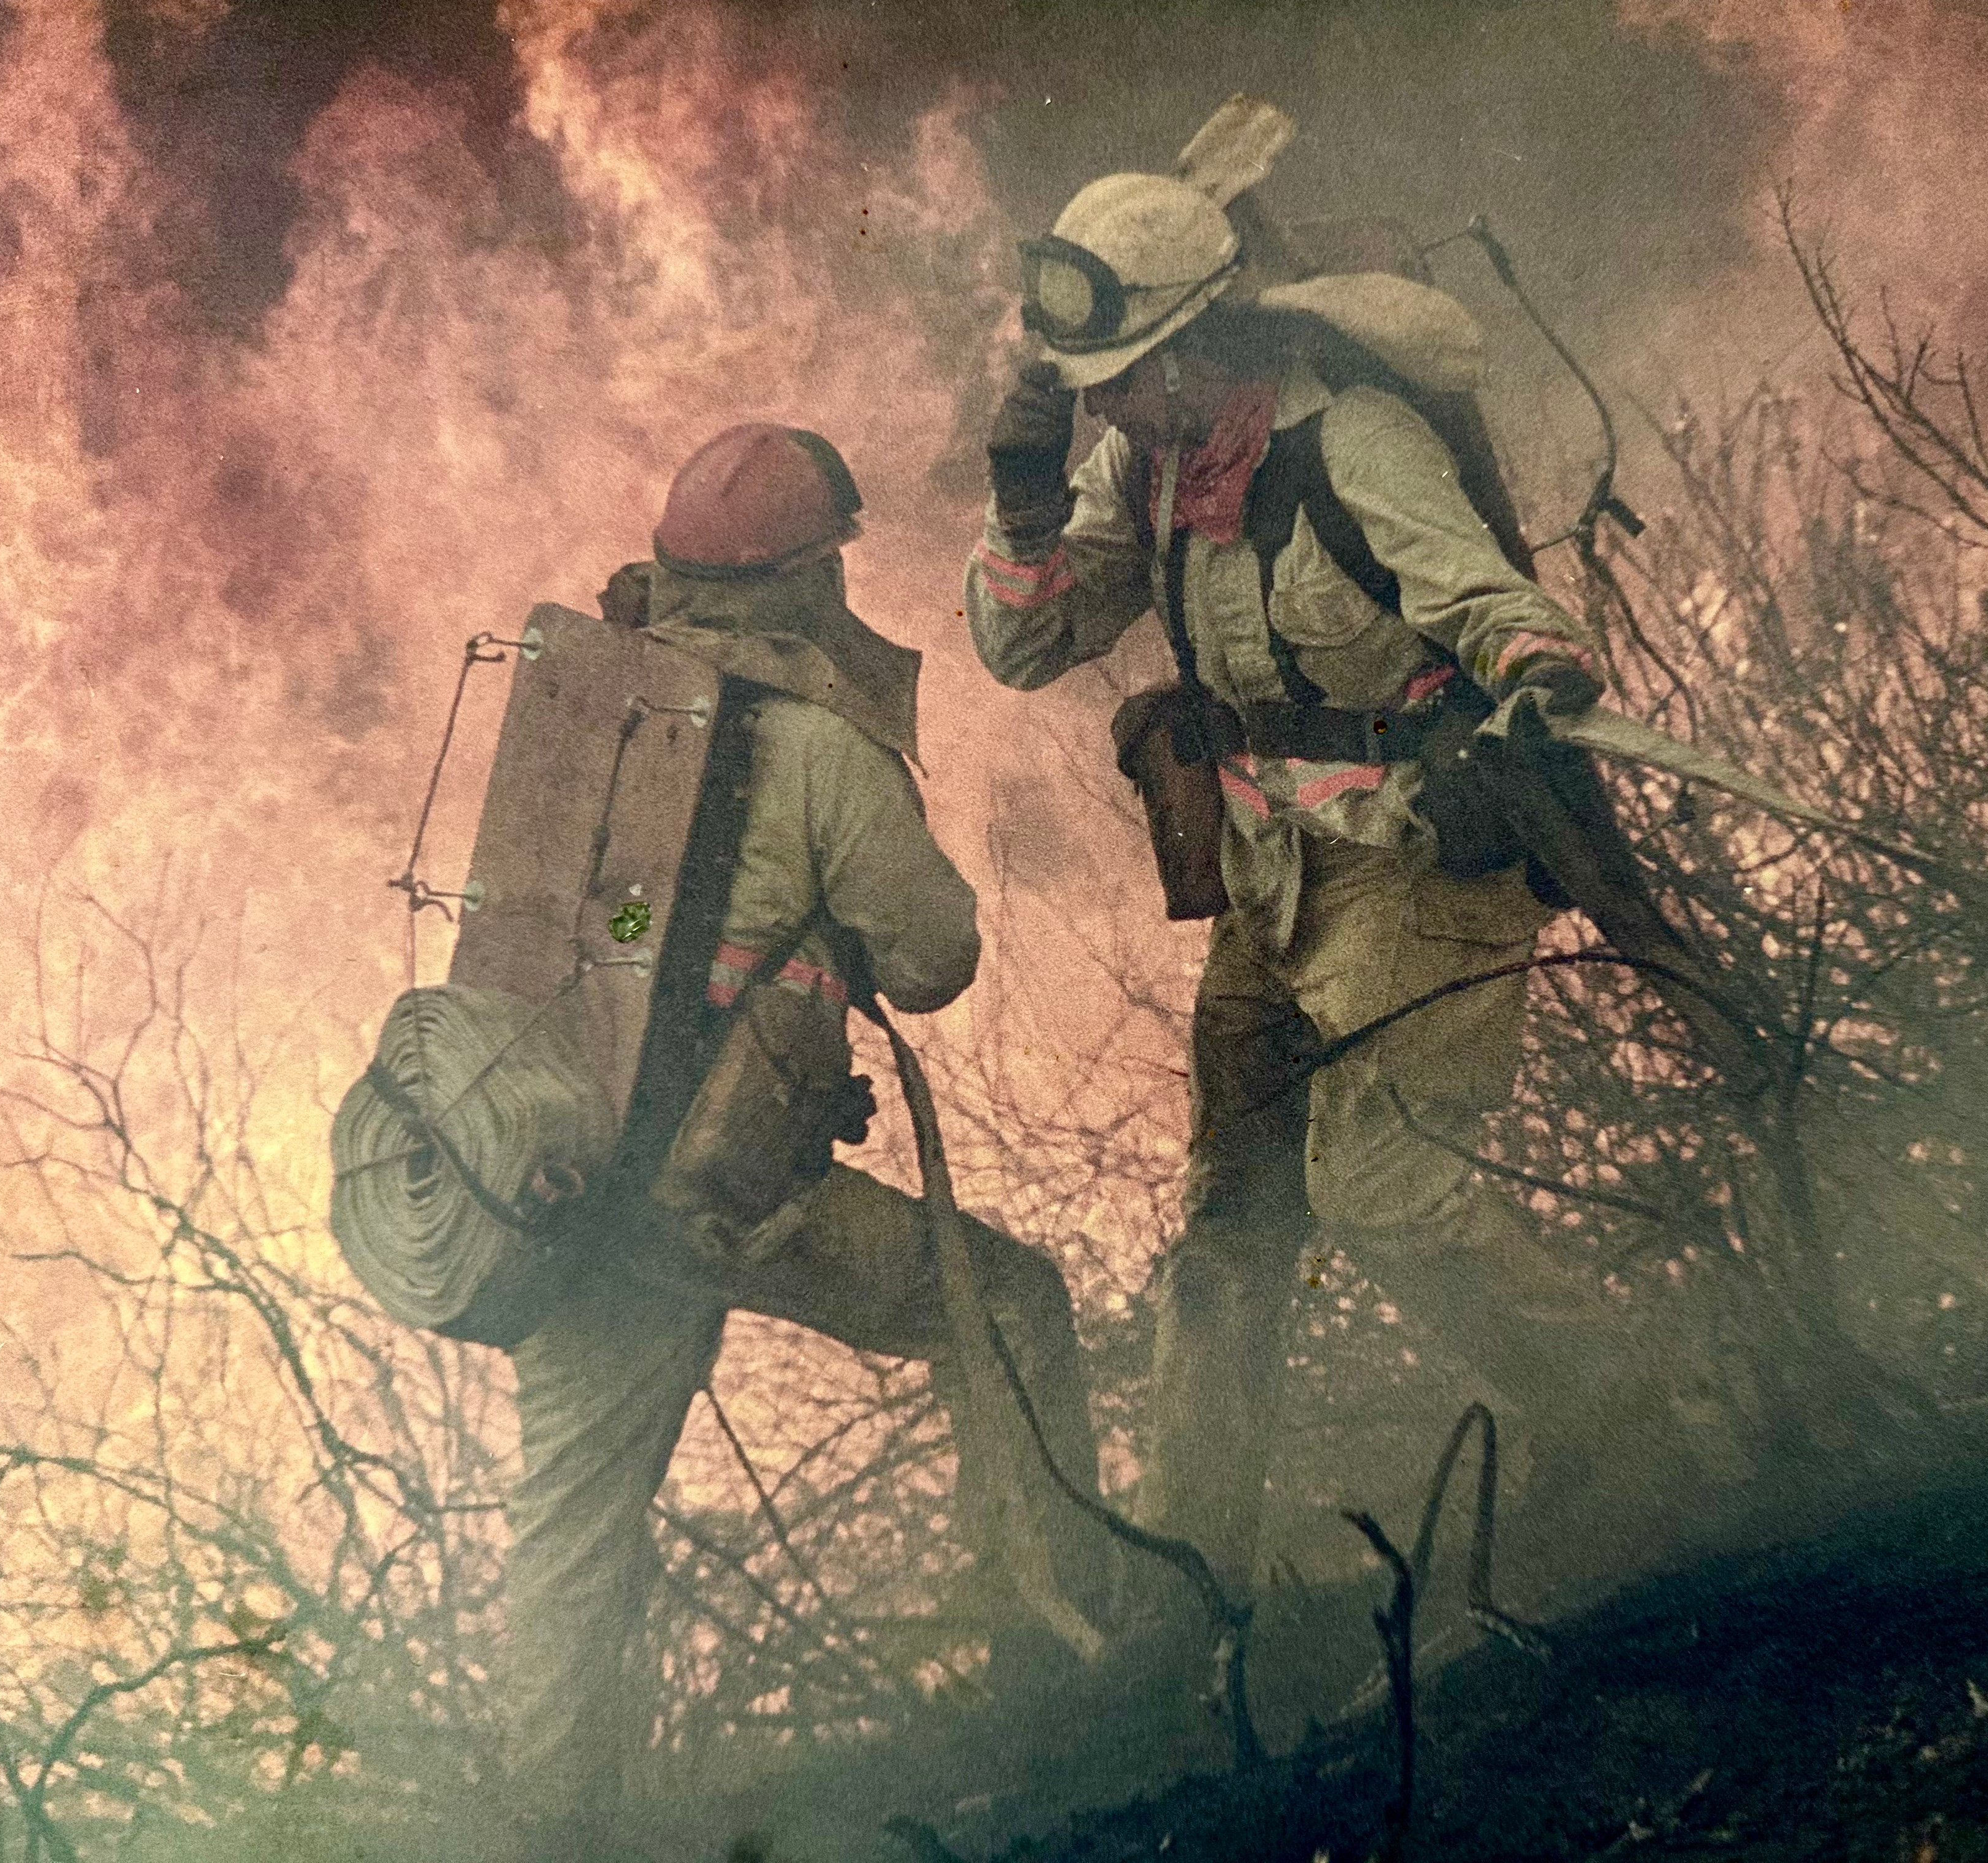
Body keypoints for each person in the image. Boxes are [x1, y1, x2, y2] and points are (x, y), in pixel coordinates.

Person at [963, 171, 1627, 1616]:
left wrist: (1532, 681)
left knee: (1387, 1202)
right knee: (1231, 1235)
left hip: (1411, 869)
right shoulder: (1146, 471)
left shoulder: (1354, 442)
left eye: (1124, 381)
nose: (1111, 412)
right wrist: (1022, 514)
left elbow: (1495, 605)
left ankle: (1633, 1425)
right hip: (1272, 886)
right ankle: (1190, 1589)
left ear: (1204, 347)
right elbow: (1025, 649)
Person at [502, 423, 1105, 1861]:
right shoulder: (824, 748)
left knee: (574, 1536)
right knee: (1012, 1309)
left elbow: (616, 930)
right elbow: (935, 953)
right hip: (731, 1198)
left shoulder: (598, 721)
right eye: (833, 561)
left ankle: (542, 1830)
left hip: (567, 1188)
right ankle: (1062, 1681)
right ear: (805, 581)